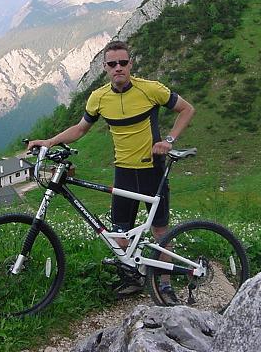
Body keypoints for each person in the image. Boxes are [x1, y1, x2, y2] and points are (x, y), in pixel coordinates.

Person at [28, 40, 195, 299]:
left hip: (152, 169)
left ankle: (165, 284)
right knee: (119, 231)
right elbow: (81, 129)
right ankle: (132, 278)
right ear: (104, 67)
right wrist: (49, 142)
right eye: (112, 64)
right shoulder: (99, 98)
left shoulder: (150, 90)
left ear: (131, 64)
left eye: (123, 63)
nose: (118, 68)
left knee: (160, 230)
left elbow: (186, 109)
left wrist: (169, 141)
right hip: (123, 172)